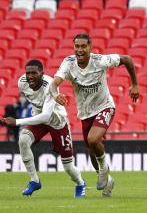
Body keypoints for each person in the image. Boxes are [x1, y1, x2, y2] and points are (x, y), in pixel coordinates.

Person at [50, 34, 139, 197]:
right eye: (77, 46)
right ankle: (108, 181)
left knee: (92, 140)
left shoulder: (100, 61)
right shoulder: (68, 64)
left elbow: (127, 59)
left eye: (83, 46)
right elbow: (54, 83)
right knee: (92, 150)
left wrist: (134, 84)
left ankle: (104, 171)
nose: (80, 50)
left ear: (90, 47)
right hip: (85, 113)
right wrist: (55, 94)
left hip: (105, 107)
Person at [1, 59, 86, 197]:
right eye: (28, 73)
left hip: (57, 122)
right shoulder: (22, 83)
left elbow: (46, 116)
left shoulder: (50, 86)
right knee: (23, 140)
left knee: (68, 166)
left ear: (42, 73)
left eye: (34, 73)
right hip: (38, 120)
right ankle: (35, 180)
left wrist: (17, 121)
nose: (30, 76)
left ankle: (80, 183)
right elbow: (39, 113)